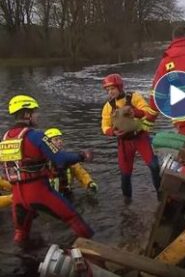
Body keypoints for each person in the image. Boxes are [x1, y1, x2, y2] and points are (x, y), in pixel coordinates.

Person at [0, 95, 93, 243]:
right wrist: (82, 155)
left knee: (21, 233)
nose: (38, 115)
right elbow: (60, 159)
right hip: (38, 192)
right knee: (73, 218)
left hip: (17, 196)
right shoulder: (36, 136)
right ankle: (96, 251)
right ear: (26, 114)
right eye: (35, 112)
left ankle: (25, 262)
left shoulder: (4, 138)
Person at [101, 73, 161, 204]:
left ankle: (161, 196)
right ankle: (127, 202)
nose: (110, 92)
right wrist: (112, 132)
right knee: (125, 174)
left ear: (120, 87)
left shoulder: (134, 97)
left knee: (154, 166)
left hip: (140, 137)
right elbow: (104, 126)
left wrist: (136, 112)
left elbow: (147, 111)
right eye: (108, 90)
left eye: (113, 88)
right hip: (124, 143)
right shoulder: (108, 106)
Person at [45, 128, 98, 196]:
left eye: (60, 139)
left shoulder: (67, 158)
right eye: (56, 140)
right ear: (47, 144)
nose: (60, 141)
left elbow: (79, 172)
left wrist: (89, 183)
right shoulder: (42, 160)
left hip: (66, 193)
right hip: (49, 194)